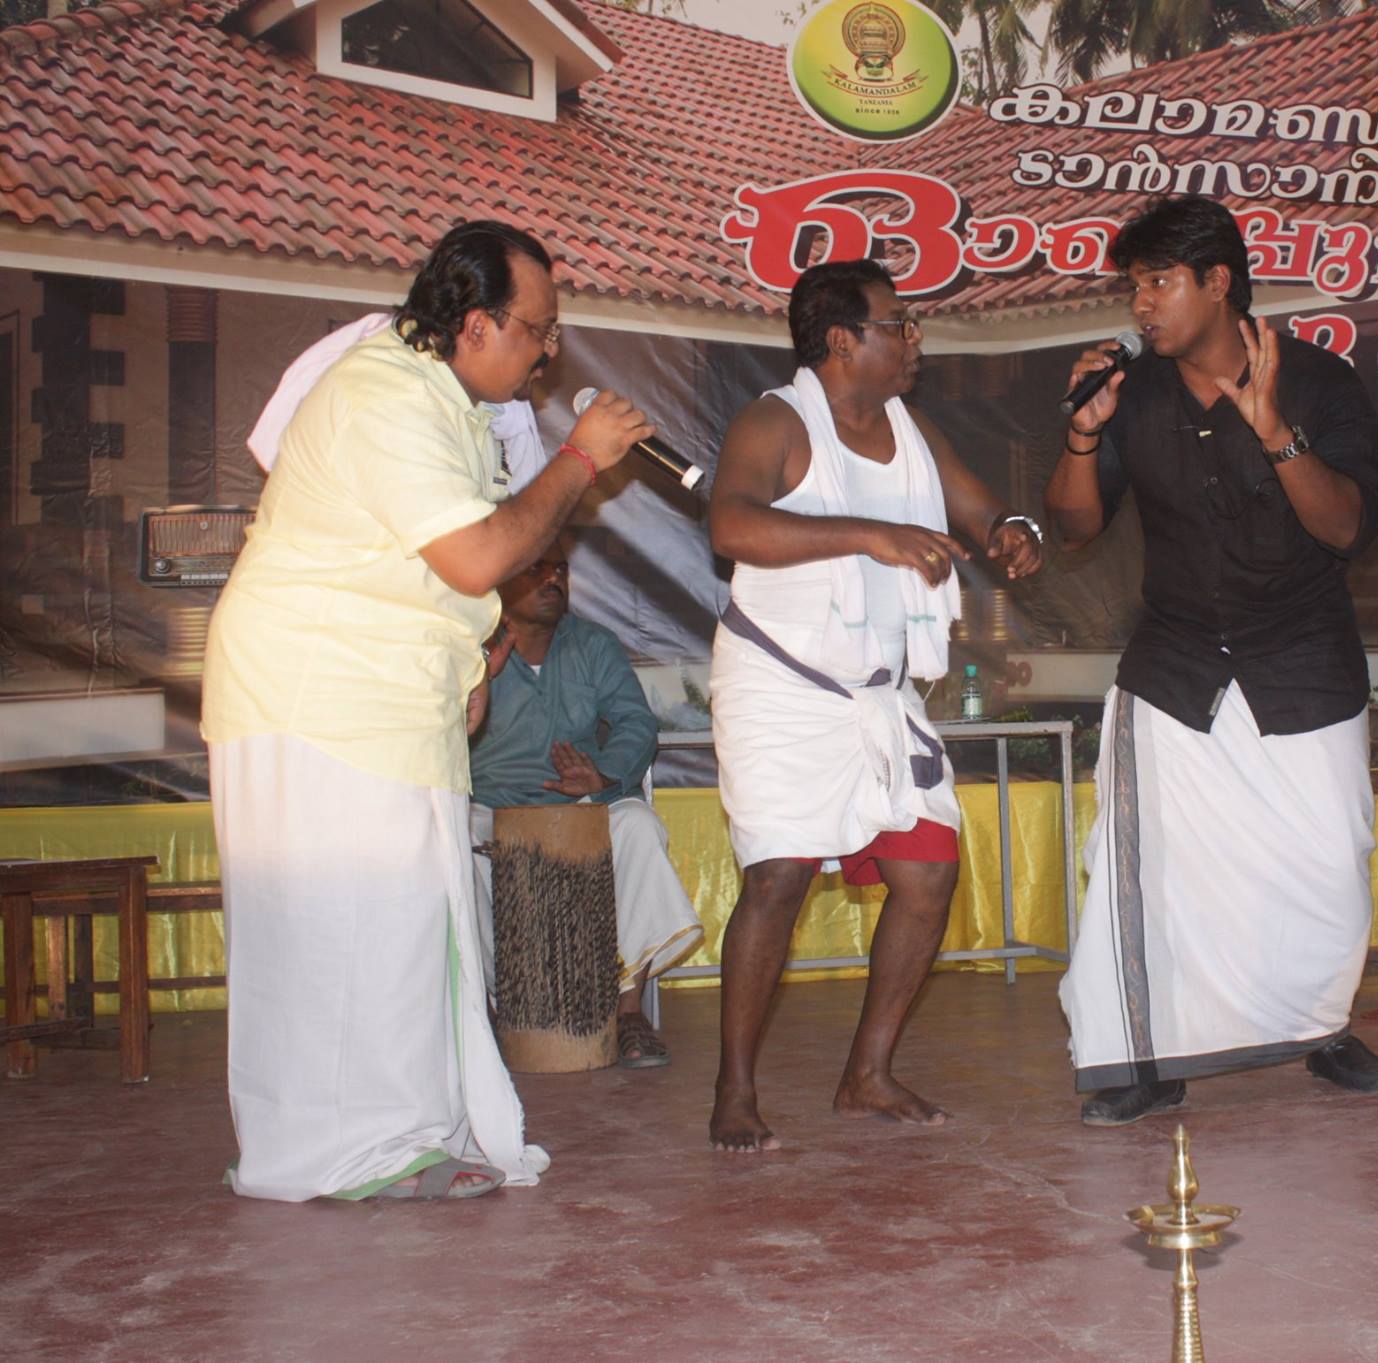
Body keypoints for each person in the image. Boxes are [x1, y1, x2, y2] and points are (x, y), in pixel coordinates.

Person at [202, 220, 655, 1200]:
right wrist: (579, 460)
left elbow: (444, 567)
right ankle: (340, 1153)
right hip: (317, 691)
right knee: (342, 931)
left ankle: (405, 1134)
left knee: (410, 926)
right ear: (477, 322)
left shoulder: (448, 404)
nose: (547, 354)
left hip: (384, 694)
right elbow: (481, 553)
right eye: (538, 330)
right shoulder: (385, 392)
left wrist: (471, 659)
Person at [1044, 194, 1378, 1128]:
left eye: (1159, 282)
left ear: (1218, 282)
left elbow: (1348, 528)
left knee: (1330, 867)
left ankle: (1323, 1029)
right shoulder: (1133, 392)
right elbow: (1074, 527)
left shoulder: (1317, 382)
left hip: (1302, 660)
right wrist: (1084, 431)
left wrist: (1276, 432)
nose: (1141, 304)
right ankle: (1143, 1056)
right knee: (1150, 870)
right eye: (1134, 286)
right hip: (1176, 664)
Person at [705, 259, 1045, 1152]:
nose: (913, 339)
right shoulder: (776, 421)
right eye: (898, 324)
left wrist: (1012, 532)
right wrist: (871, 534)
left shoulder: (910, 426)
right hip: (780, 682)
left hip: (879, 695)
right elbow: (731, 525)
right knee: (778, 876)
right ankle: (735, 1089)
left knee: (928, 873)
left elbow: (981, 510)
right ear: (842, 340)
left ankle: (868, 1074)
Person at [468, 536, 705, 1067]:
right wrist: (481, 674)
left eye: (560, 570)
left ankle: (628, 1012)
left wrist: (602, 775)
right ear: (502, 575)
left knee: (638, 825)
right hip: (490, 807)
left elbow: (635, 722)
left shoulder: (593, 644)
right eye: (537, 569)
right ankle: (499, 1012)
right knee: (455, 847)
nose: (553, 580)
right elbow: (442, 725)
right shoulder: (470, 643)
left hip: (581, 804)